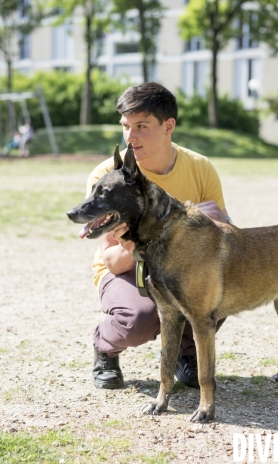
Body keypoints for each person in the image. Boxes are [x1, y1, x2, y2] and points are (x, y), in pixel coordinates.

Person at [85, 82, 232, 390]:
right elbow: (113, 261)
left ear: (169, 126)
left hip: (183, 269)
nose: (130, 136)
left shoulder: (200, 168)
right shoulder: (107, 177)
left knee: (222, 289)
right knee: (139, 320)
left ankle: (186, 351)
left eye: (141, 126)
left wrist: (216, 223)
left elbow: (223, 239)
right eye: (125, 126)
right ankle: (105, 347)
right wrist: (159, 234)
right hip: (129, 269)